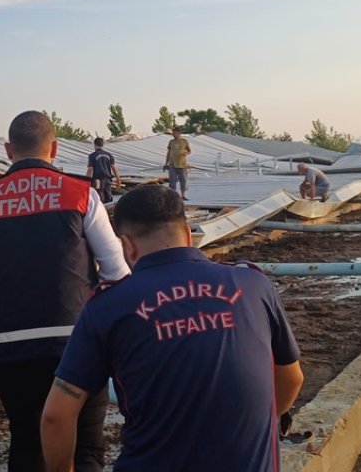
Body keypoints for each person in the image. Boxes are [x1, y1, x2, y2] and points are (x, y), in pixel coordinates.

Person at [40, 185, 304, 472]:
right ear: (188, 233)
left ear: (127, 245)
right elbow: (291, 379)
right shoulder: (253, 285)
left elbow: (56, 415)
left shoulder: (108, 307)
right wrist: (247, 428)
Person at [0, 110, 130, 472]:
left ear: (8, 150)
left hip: (9, 348)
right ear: (54, 148)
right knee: (85, 449)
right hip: (77, 344)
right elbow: (117, 272)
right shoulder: (81, 194)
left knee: (27, 441)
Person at [86, 138, 121, 204]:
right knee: (109, 197)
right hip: (108, 179)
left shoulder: (92, 156)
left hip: (98, 180)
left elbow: (90, 169)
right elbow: (113, 167)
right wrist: (118, 179)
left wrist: (86, 180)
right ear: (103, 145)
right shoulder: (109, 155)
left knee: (100, 198)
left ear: (95, 145)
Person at [164, 127, 191, 200]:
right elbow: (169, 152)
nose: (173, 134)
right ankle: (173, 195)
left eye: (174, 133)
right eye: (173, 133)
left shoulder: (184, 141)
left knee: (183, 180)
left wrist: (186, 153)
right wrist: (166, 163)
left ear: (179, 133)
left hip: (182, 164)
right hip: (172, 163)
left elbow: (189, 151)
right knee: (172, 180)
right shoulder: (171, 142)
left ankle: (183, 195)